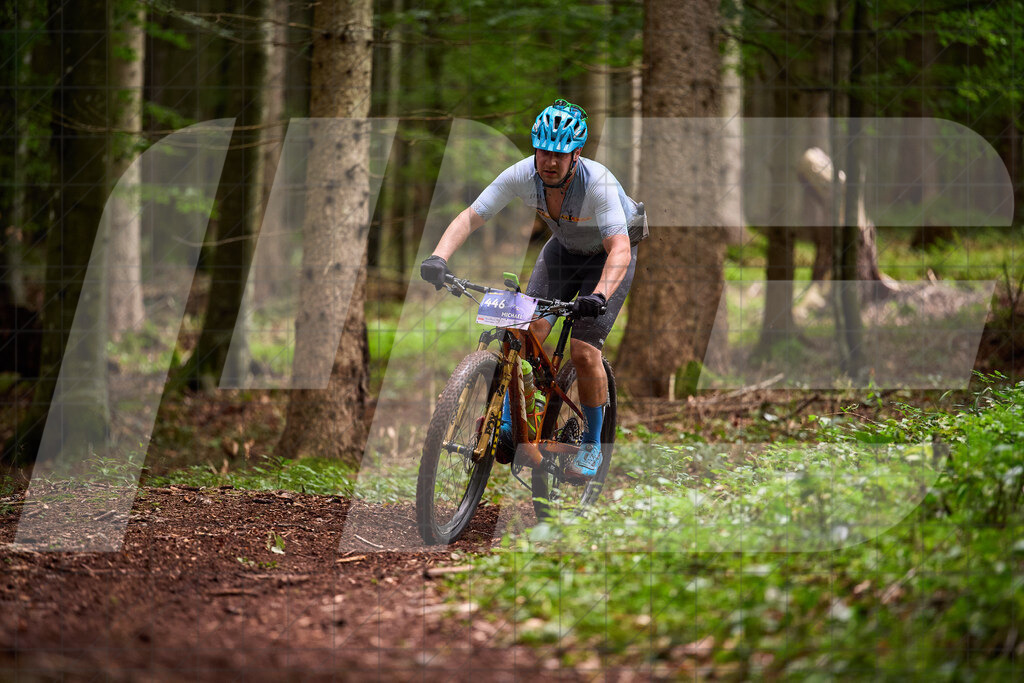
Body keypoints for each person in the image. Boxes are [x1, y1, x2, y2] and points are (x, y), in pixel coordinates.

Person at [420, 99, 641, 480]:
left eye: (559, 154)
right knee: (522, 332)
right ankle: (512, 422)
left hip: (609, 259)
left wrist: (600, 295)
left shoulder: (598, 184)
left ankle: (592, 441)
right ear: (534, 149)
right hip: (562, 252)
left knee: (584, 352)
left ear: (576, 155)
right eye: (543, 152)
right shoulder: (521, 174)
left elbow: (619, 248)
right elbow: (470, 216)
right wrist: (438, 257)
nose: (549, 162)